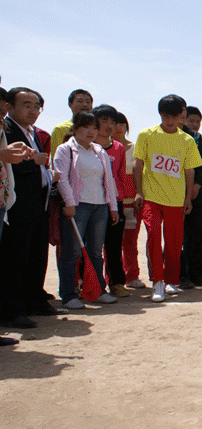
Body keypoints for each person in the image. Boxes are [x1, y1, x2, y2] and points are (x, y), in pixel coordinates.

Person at [133, 94, 202, 302]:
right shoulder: (146, 135)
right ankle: (157, 281)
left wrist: (188, 198)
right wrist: (139, 191)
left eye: (174, 116)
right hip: (151, 197)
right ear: (160, 114)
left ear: (181, 115)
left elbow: (189, 171)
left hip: (176, 199)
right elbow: (138, 164)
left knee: (173, 243)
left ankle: (172, 280)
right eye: (166, 116)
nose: (170, 121)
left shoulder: (187, 140)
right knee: (154, 236)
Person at [53, 111, 120, 309]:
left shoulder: (99, 151)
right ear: (75, 128)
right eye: (85, 127)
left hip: (100, 207)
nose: (90, 132)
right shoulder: (65, 149)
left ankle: (97, 291)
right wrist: (69, 203)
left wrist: (113, 207)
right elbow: (61, 178)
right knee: (72, 252)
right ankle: (68, 295)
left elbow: (108, 180)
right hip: (78, 206)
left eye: (94, 127)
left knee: (95, 252)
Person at [0, 87, 55, 329]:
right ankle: (13, 309)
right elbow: (9, 164)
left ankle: (34, 300)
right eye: (26, 105)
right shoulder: (7, 130)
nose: (33, 111)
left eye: (36, 107)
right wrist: (33, 160)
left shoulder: (33, 132)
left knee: (36, 256)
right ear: (10, 107)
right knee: (15, 259)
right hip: (18, 205)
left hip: (38, 203)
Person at [91, 104, 129, 298]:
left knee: (114, 246)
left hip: (115, 203)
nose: (108, 125)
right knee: (92, 247)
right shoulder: (86, 146)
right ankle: (92, 284)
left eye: (112, 122)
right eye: (104, 120)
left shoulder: (119, 148)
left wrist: (121, 199)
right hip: (91, 202)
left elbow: (121, 176)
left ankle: (117, 283)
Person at [180, 106, 202, 288]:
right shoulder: (172, 136)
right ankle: (181, 275)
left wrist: (197, 184)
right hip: (175, 194)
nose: (194, 124)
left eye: (197, 121)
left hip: (196, 193)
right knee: (181, 238)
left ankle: (197, 273)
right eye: (190, 120)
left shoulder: (197, 138)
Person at [113, 112, 144, 289]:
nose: (118, 127)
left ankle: (132, 276)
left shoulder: (136, 148)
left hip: (132, 203)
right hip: (113, 203)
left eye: (121, 124)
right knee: (111, 244)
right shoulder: (105, 149)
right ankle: (112, 279)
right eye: (114, 124)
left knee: (130, 242)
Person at [51, 89, 93, 160]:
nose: (85, 104)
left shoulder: (98, 128)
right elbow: (56, 158)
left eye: (88, 102)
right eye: (80, 101)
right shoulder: (60, 129)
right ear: (70, 104)